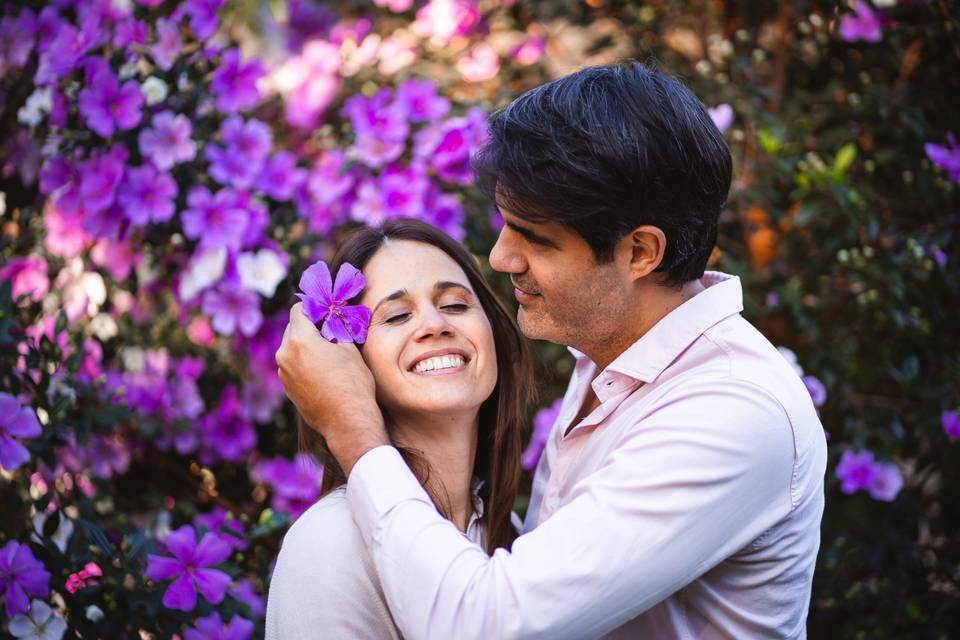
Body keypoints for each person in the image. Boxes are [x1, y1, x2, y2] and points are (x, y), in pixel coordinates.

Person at [276, 62, 828, 639]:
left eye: (534, 238)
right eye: (395, 314)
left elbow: (489, 624)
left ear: (639, 252)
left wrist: (355, 431)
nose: (500, 258)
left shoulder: (728, 411)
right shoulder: (609, 350)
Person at [266, 219, 532, 638]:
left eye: (456, 305)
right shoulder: (329, 544)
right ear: (348, 362)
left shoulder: (512, 537)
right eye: (397, 315)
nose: (434, 324)